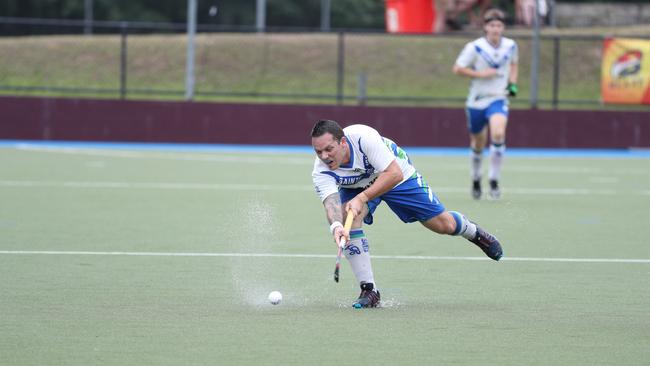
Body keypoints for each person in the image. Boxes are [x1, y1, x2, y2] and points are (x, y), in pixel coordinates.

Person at [310, 119, 503, 309]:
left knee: (444, 225)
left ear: (342, 142)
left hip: (394, 174)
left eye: (329, 149)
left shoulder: (363, 138)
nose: (325, 156)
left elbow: (394, 174)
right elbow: (331, 202)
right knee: (347, 220)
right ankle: (369, 290)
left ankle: (473, 231)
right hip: (356, 186)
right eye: (319, 152)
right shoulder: (321, 171)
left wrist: (362, 198)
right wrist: (336, 226)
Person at [452, 8, 519, 200]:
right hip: (477, 100)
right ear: (485, 27)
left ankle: (494, 180)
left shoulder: (511, 45)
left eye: (499, 25)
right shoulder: (475, 47)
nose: (495, 29)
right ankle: (476, 178)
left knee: (498, 133)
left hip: (498, 98)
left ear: (503, 27)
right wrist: (481, 74)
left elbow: (514, 64)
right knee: (478, 143)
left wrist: (512, 84)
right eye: (491, 25)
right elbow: (458, 69)